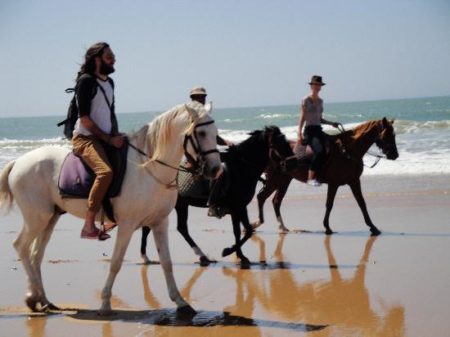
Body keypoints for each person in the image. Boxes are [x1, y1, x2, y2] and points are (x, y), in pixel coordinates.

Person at [72, 42, 125, 240]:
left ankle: (114, 214)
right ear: (97, 60)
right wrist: (108, 139)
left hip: (106, 137)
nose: (114, 60)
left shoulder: (109, 83)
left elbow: (110, 114)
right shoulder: (86, 81)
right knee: (105, 172)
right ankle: (88, 226)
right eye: (109, 57)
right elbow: (85, 118)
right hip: (86, 138)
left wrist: (118, 135)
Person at [297, 75, 340, 186]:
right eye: (315, 84)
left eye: (319, 85)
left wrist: (332, 124)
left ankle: (323, 175)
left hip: (318, 130)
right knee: (319, 151)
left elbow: (319, 119)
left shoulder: (321, 101)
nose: (317, 86)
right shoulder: (305, 100)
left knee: (334, 147)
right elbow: (302, 117)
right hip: (310, 131)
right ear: (311, 86)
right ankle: (310, 178)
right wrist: (299, 133)